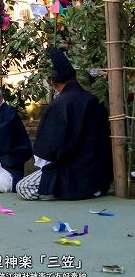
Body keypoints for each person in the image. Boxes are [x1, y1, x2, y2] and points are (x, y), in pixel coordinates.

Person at [15, 48, 113, 200]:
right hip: (99, 175)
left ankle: (59, 192)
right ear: (76, 78)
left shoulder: (60, 104)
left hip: (73, 174)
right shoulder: (92, 100)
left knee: (23, 187)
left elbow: (49, 148)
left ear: (53, 83)